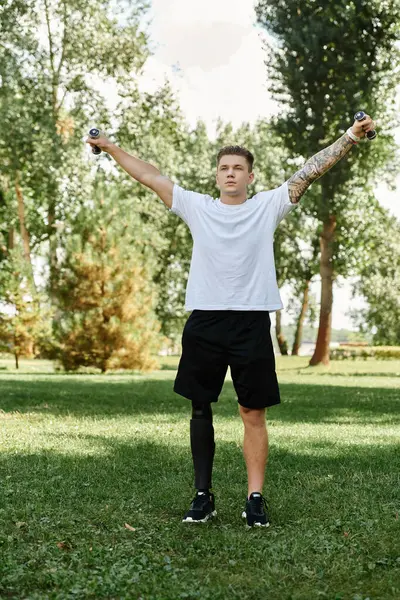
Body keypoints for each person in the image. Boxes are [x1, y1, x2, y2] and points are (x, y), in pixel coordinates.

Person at [86, 113, 375, 527]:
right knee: (200, 408)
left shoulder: (268, 206)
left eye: (238, 167)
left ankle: (255, 498)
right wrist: (110, 147)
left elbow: (310, 169)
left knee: (252, 412)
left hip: (251, 321)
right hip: (205, 319)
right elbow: (151, 176)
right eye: (224, 167)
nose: (230, 173)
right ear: (216, 176)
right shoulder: (197, 206)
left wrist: (349, 136)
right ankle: (203, 496)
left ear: (251, 176)